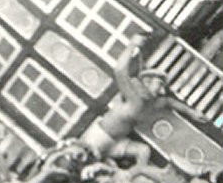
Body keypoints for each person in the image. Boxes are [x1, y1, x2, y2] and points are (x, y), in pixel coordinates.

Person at [79, 33, 209, 165]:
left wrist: (191, 112)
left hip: (116, 142)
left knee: (144, 151)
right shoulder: (134, 98)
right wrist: (132, 45)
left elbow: (169, 102)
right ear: (147, 81)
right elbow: (119, 70)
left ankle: (136, 173)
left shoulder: (153, 103)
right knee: (86, 161)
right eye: (159, 85)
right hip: (99, 137)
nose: (162, 91)